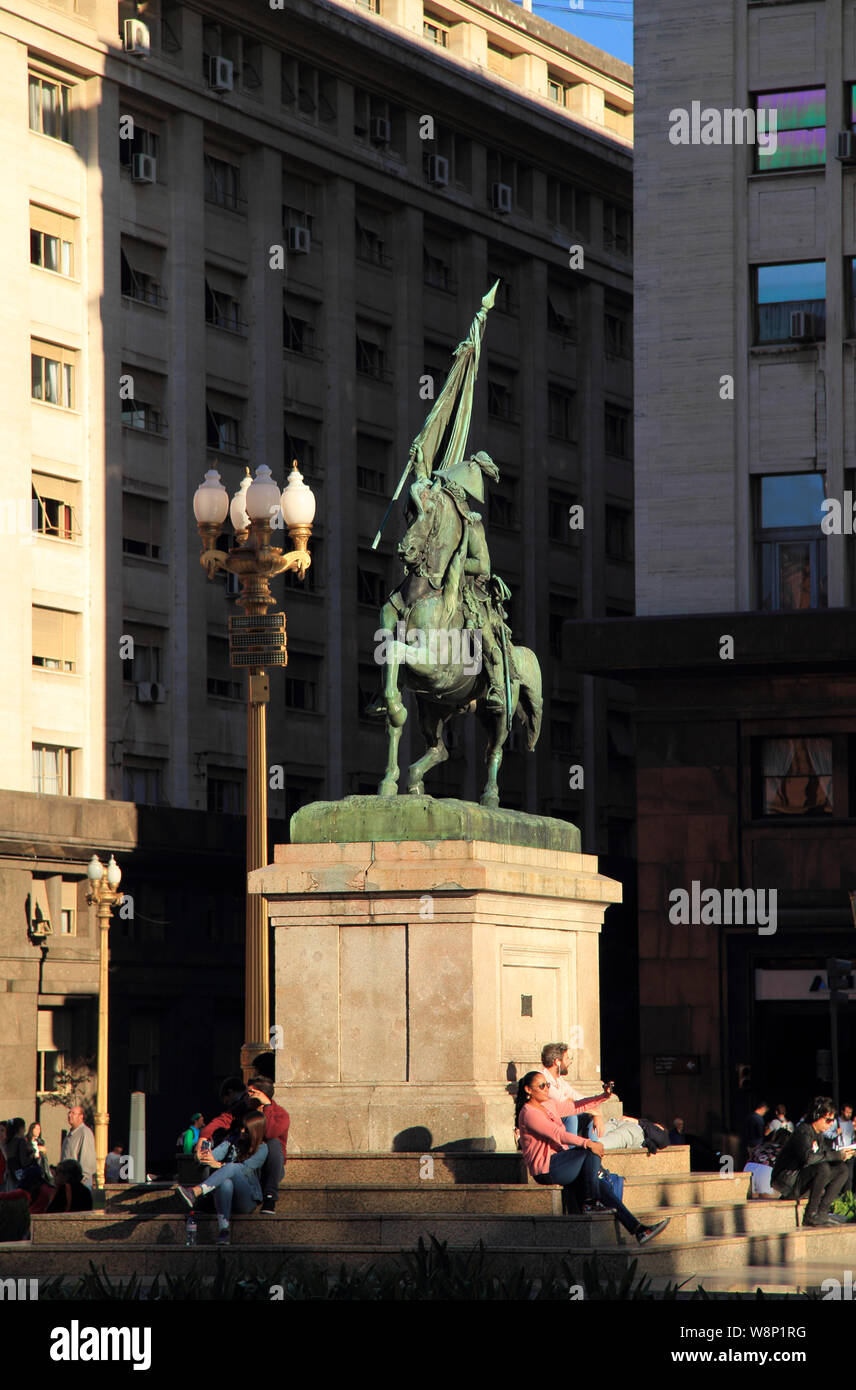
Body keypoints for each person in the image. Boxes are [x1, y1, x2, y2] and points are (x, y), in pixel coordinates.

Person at [515, 1071, 669, 1246]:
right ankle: (590, 1202)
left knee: (602, 1185)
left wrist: (603, 1096)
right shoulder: (528, 1113)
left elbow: (576, 1106)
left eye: (547, 1085)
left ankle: (639, 1230)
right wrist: (587, 1142)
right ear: (528, 1090)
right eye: (542, 1086)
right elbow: (558, 1134)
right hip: (546, 1169)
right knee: (590, 1150)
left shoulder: (548, 1104)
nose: (546, 1089)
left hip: (562, 1162)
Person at [197, 1075, 289, 1215]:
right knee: (221, 1143)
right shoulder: (242, 1107)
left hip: (266, 1167)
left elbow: (270, 1132)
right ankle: (207, 1197)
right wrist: (203, 1139)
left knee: (274, 1142)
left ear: (262, 1096)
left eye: (250, 1093)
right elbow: (221, 1120)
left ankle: (270, 1197)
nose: (246, 1096)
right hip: (243, 1159)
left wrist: (267, 1106)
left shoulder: (280, 1114)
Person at [178, 1108, 267, 1245]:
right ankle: (224, 1231)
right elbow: (214, 1155)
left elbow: (245, 1169)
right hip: (226, 1197)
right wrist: (201, 1156)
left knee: (233, 1167)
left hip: (247, 1199)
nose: (242, 1131)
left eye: (246, 1129)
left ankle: (195, 1192)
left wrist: (219, 1165)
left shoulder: (263, 1148)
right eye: (242, 1127)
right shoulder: (233, 1140)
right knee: (225, 1183)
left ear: (255, 1131)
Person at [770, 1095, 854, 1226]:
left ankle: (822, 1212)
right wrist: (836, 1155)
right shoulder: (803, 1131)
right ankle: (810, 1213)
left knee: (842, 1169)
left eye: (832, 1120)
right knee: (822, 1168)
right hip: (789, 1183)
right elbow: (808, 1157)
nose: (831, 1124)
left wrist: (844, 1153)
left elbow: (825, 1153)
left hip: (802, 1179)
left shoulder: (818, 1134)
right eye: (828, 1120)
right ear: (816, 1116)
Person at [60, 1107, 96, 1189]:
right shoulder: (69, 1135)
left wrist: (81, 1181)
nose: (70, 1115)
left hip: (79, 1184)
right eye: (69, 1113)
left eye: (73, 1113)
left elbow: (87, 1160)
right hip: (67, 1183)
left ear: (81, 1116)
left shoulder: (85, 1133)